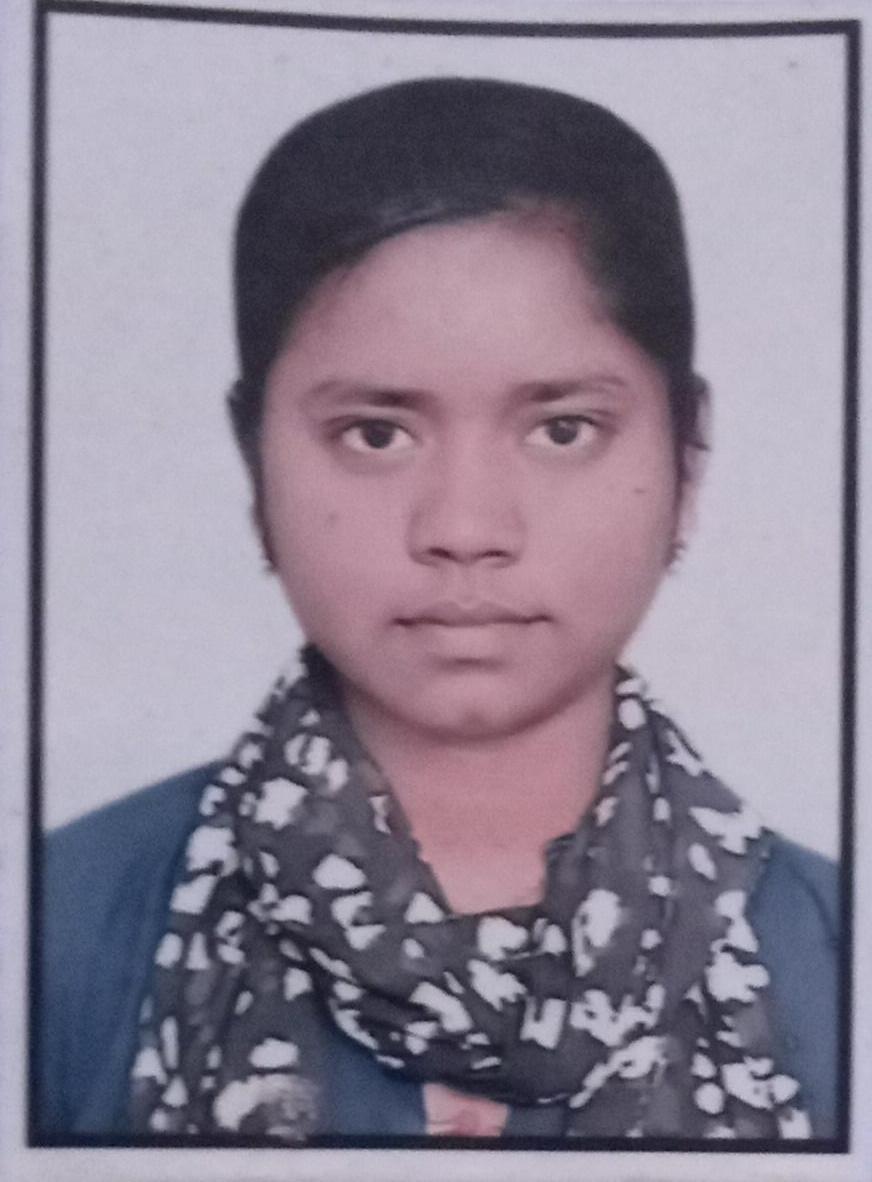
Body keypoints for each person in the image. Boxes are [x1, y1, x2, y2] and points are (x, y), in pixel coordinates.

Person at [37, 76, 839, 1142]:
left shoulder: (834, 954)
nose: (464, 527)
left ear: (686, 457)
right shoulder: (55, 928)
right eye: (376, 434)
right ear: (254, 460)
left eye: (561, 430)